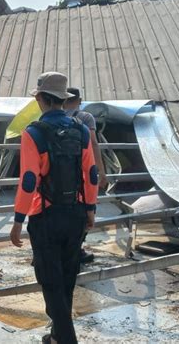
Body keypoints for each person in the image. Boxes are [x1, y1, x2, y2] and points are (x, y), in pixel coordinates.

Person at [10, 72, 98, 344]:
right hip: (76, 213)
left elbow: (28, 181)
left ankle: (66, 339)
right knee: (68, 278)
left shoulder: (33, 133)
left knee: (50, 281)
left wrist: (17, 220)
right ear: (62, 100)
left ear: (41, 99)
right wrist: (91, 209)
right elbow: (91, 173)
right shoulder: (81, 130)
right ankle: (58, 335)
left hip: (45, 216)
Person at [63, 87, 107, 264]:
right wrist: (101, 171)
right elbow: (94, 144)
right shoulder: (85, 117)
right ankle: (76, 249)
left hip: (56, 176)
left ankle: (49, 251)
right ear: (79, 101)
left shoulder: (48, 119)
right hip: (81, 175)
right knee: (84, 212)